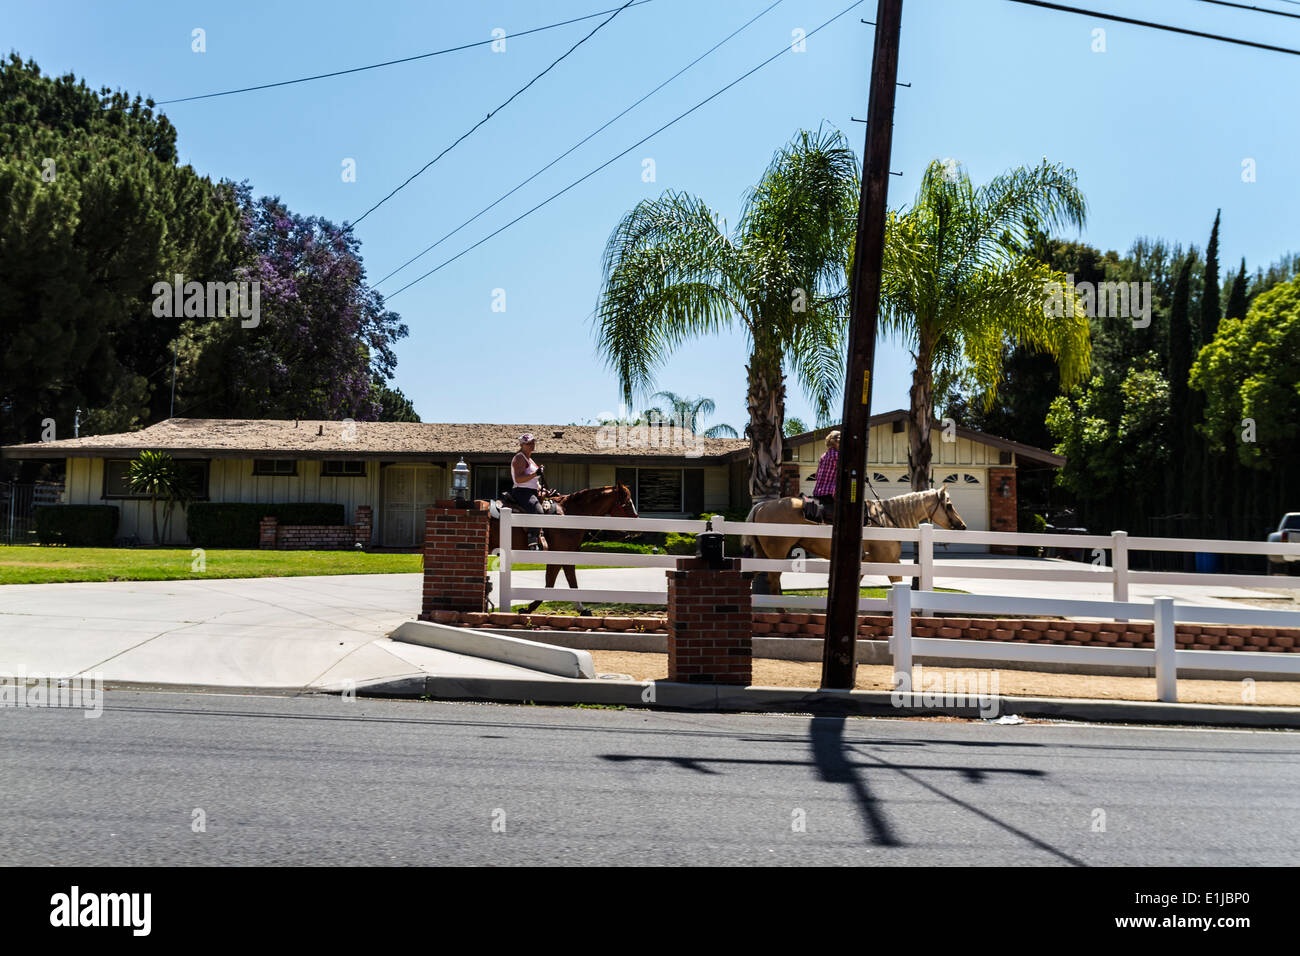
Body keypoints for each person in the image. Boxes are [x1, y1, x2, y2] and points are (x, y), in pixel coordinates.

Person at [510, 433, 547, 550]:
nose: (532, 445)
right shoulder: (519, 458)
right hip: (522, 492)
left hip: (531, 491)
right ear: (522, 445)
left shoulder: (529, 459)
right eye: (528, 443)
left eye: (533, 442)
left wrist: (542, 488)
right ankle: (532, 540)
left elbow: (532, 481)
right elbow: (519, 479)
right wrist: (536, 473)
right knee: (538, 510)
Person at [812, 430, 839, 515]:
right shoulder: (838, 455)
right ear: (837, 443)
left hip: (817, 494)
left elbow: (816, 476)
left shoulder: (823, 456)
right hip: (829, 495)